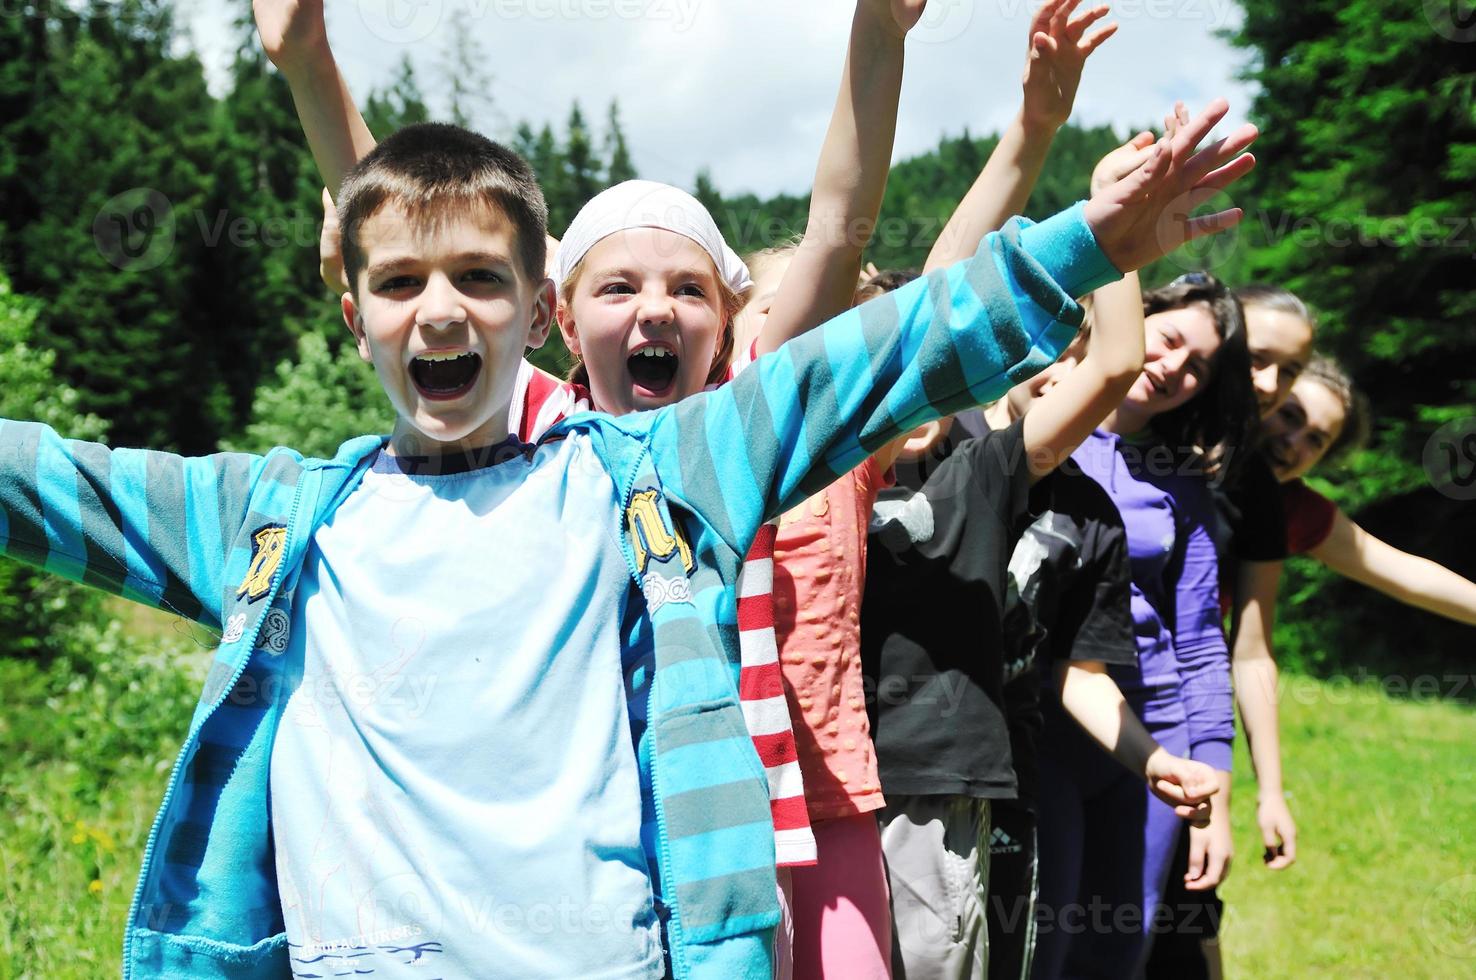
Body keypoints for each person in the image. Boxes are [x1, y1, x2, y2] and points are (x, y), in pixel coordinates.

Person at [268, 3, 927, 972]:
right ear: (559, 322)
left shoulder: (731, 435)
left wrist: (879, 33)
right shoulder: (539, 430)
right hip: (578, 845)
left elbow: (835, 226)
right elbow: (403, 225)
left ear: (733, 323)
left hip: (725, 826)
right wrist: (307, 61)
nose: (655, 308)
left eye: (688, 290)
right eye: (617, 289)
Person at [1029, 253, 1259, 976]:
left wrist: (1213, 788)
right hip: (1040, 731)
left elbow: (1198, 643)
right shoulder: (1039, 425)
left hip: (1158, 733)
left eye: (1198, 366)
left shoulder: (1181, 478)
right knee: (1042, 942)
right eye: (1167, 340)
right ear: (1137, 320)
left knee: (1119, 948)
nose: (1174, 367)